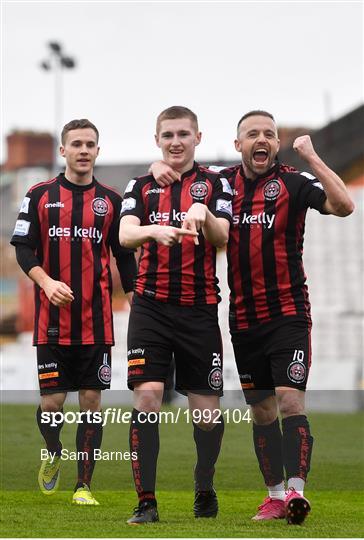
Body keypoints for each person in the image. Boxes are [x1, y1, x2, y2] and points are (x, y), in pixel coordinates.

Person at [149, 110, 354, 525]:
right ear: (238, 143)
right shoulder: (222, 183)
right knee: (262, 412)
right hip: (243, 319)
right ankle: (274, 497)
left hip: (288, 313)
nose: (261, 139)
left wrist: (312, 157)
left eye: (269, 134)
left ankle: (297, 493)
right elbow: (182, 166)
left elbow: (344, 205)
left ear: (276, 144)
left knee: (290, 399)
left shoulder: (293, 183)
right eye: (252, 134)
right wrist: (157, 165)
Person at [10, 119, 137, 505]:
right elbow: (22, 248)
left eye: (90, 144)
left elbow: (125, 258)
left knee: (91, 403)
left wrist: (136, 303)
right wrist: (47, 283)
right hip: (51, 322)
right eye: (76, 144)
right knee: (52, 405)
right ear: (63, 151)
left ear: (98, 151)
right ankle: (52, 452)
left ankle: (84, 485)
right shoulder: (38, 195)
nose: (84, 150)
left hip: (96, 324)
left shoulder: (112, 202)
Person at [119, 106, 232, 524]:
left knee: (206, 417)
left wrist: (204, 215)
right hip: (150, 308)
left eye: (184, 134)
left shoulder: (216, 182)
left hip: (199, 311)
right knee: (147, 398)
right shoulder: (141, 185)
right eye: (168, 135)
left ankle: (204, 482)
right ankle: (146, 502)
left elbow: (223, 236)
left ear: (198, 138)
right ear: (157, 140)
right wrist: (153, 231)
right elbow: (124, 233)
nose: (175, 141)